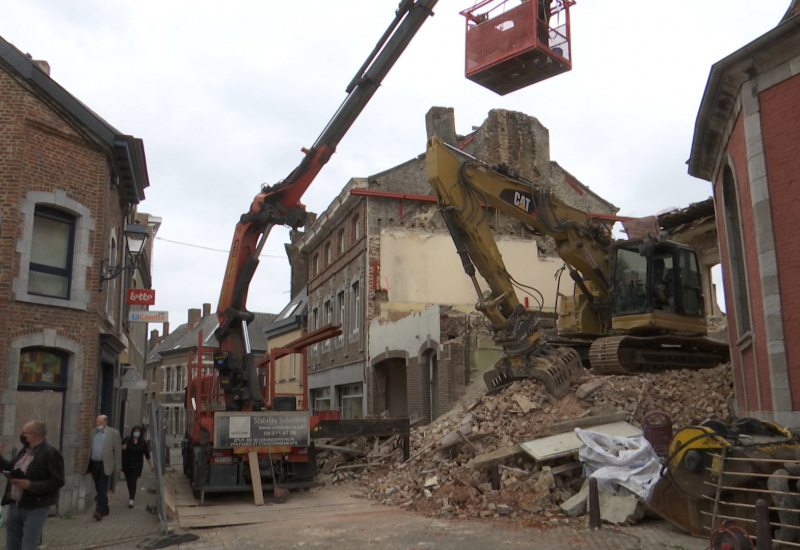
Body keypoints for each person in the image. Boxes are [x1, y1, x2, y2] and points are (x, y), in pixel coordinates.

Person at [0, 420, 65, 550]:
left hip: (35, 508)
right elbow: (10, 467)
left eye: (24, 433)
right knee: (12, 546)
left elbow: (57, 481)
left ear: (34, 436)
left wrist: (30, 485)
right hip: (15, 505)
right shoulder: (24, 451)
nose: (21, 435)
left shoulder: (50, 453)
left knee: (28, 546)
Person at [87, 414, 121, 521]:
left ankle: (99, 511)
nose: (98, 424)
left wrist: (118, 466)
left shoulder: (113, 433)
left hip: (105, 464)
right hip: (94, 463)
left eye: (100, 422)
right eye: (97, 422)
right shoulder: (93, 432)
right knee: (98, 487)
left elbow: (117, 451)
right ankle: (105, 508)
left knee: (102, 486)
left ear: (105, 422)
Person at [121, 425, 152, 508]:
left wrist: (150, 465)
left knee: (133, 480)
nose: (136, 433)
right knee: (129, 481)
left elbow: (147, 454)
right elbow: (119, 448)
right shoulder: (127, 440)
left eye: (138, 432)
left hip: (137, 465)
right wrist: (122, 447)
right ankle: (131, 494)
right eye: (135, 431)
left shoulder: (143, 443)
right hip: (126, 464)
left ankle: (131, 499)